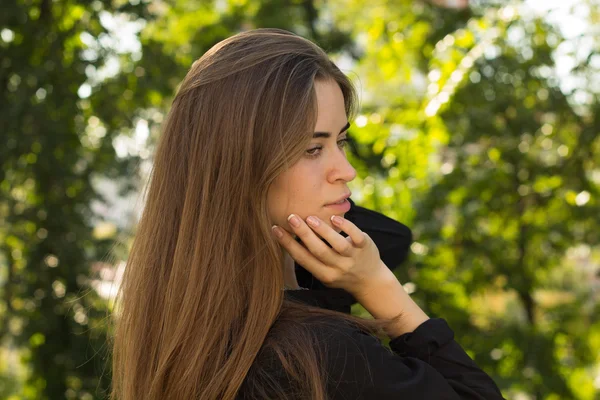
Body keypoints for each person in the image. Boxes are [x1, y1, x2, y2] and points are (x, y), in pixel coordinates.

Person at [109, 28, 505, 400]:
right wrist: (378, 287)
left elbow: (393, 237)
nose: (346, 170)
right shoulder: (321, 352)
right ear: (240, 167)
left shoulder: (180, 316)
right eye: (312, 149)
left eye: (341, 140)